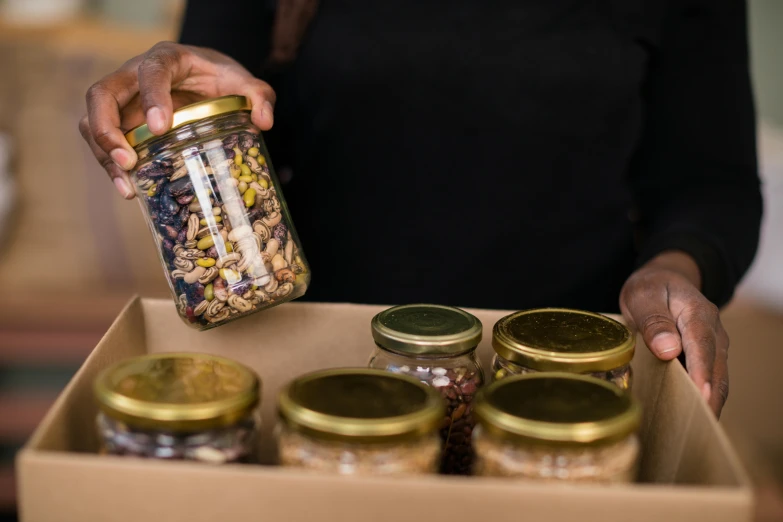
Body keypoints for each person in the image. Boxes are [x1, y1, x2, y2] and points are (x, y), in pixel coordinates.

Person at [79, 0, 762, 417]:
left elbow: (710, 182)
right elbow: (223, 104)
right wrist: (177, 106)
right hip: (317, 367)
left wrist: (675, 267)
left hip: (568, 374)